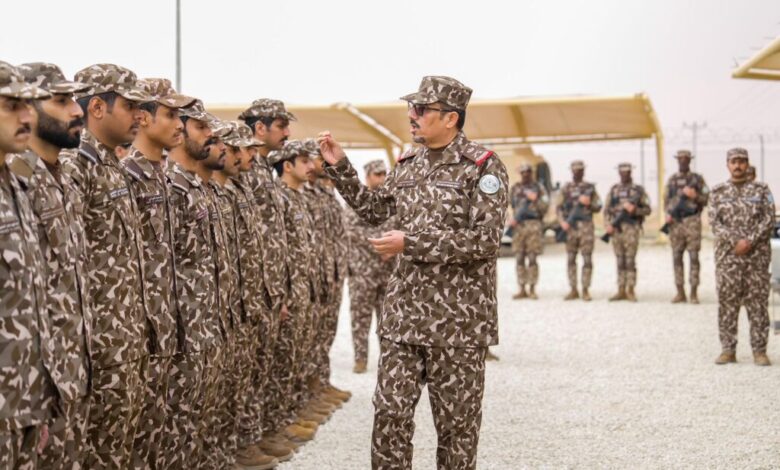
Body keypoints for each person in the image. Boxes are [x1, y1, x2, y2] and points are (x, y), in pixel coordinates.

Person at [319, 75, 508, 470]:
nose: (411, 115)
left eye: (422, 109)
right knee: (389, 415)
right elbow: (374, 211)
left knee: (456, 428)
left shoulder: (482, 166)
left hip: (457, 325)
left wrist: (412, 243)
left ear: (451, 118)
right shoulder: (408, 164)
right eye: (411, 107)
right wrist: (341, 169)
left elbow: (485, 240)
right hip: (403, 320)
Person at [60, 63, 151, 469]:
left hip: (124, 335)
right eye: (131, 106)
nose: (140, 117)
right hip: (98, 344)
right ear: (97, 107)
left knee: (118, 445)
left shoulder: (110, 164)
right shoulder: (75, 166)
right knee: (96, 451)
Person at [10, 62, 91, 470]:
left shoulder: (61, 180)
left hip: (65, 371)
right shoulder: (19, 179)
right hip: (21, 385)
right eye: (61, 101)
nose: (77, 110)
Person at [122, 77, 194, 469]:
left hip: (166, 325)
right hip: (135, 332)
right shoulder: (126, 177)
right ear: (144, 118)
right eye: (170, 114)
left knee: (159, 432)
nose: (180, 124)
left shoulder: (163, 178)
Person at [0, 60, 55, 470]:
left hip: (23, 401)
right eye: (11, 105)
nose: (26, 116)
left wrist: (39, 400)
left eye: (28, 105)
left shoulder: (16, 186)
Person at [164, 99, 219, 467]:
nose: (210, 135)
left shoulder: (193, 185)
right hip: (176, 325)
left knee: (195, 412)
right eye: (201, 126)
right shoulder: (169, 183)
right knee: (173, 419)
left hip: (201, 315)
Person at [267, 140, 320, 444]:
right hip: (289, 291)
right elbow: (277, 249)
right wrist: (281, 294)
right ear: (287, 166)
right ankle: (276, 426)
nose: (311, 166)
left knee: (295, 356)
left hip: (302, 287)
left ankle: (290, 415)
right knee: (282, 362)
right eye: (304, 161)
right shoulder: (280, 197)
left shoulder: (298, 197)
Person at [709, 148, 775, 366]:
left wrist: (750, 241)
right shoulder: (717, 192)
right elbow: (715, 223)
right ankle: (728, 350)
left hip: (756, 259)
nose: (738, 165)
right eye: (734, 161)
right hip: (728, 259)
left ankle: (759, 351)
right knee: (727, 304)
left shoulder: (761, 190)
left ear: (747, 164)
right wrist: (735, 241)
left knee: (758, 305)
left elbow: (768, 219)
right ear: (727, 164)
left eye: (742, 161)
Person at [344, 159, 395, 373]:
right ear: (367, 177)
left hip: (387, 271)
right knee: (360, 317)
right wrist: (382, 245)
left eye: (384, 174)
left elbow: (401, 227)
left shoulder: (392, 201)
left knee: (388, 319)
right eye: (377, 174)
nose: (382, 178)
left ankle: (388, 360)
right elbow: (352, 230)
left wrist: (393, 248)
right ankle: (360, 358)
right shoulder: (357, 201)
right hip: (362, 271)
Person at [663, 149, 709, 304]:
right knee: (677, 257)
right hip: (675, 223)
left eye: (685, 159)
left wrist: (695, 196)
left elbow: (707, 199)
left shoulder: (697, 179)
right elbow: (666, 201)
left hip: (692, 221)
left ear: (690, 160)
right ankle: (680, 292)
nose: (683, 161)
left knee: (694, 257)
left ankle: (694, 292)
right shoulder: (672, 180)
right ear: (677, 160)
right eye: (680, 159)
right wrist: (667, 215)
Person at [603, 163, 651, 302]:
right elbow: (606, 210)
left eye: (627, 172)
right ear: (619, 173)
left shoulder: (638, 191)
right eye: (622, 172)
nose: (624, 175)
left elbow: (647, 210)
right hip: (616, 230)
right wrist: (608, 225)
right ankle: (620, 289)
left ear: (631, 173)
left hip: (631, 230)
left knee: (630, 260)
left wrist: (635, 210)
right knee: (619, 260)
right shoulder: (614, 190)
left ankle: (630, 289)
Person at [556, 160, 602, 301]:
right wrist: (562, 222)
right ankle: (573, 289)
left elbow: (599, 205)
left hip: (586, 227)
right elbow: (559, 207)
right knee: (571, 259)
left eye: (580, 170)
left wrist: (590, 203)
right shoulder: (566, 188)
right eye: (575, 170)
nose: (578, 172)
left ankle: (586, 290)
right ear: (571, 171)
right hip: (570, 228)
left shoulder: (590, 188)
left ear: (583, 171)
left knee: (587, 259)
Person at [508, 163, 549, 300]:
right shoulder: (515, 188)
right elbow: (509, 205)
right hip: (519, 226)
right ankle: (521, 288)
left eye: (528, 172)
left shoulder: (539, 188)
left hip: (533, 225)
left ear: (532, 173)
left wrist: (536, 199)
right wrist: (510, 219)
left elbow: (545, 207)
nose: (526, 174)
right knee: (519, 257)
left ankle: (532, 288)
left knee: (532, 258)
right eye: (523, 172)